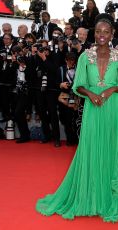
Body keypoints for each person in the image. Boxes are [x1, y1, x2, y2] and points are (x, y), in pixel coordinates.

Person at [36, 13, 118, 222]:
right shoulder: (84, 56)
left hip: (112, 109)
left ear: (112, 34)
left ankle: (108, 195)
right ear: (94, 33)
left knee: (111, 148)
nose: (101, 35)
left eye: (106, 32)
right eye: (98, 31)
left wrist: (110, 90)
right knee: (90, 149)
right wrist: (90, 93)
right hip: (92, 109)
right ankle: (89, 195)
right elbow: (78, 84)